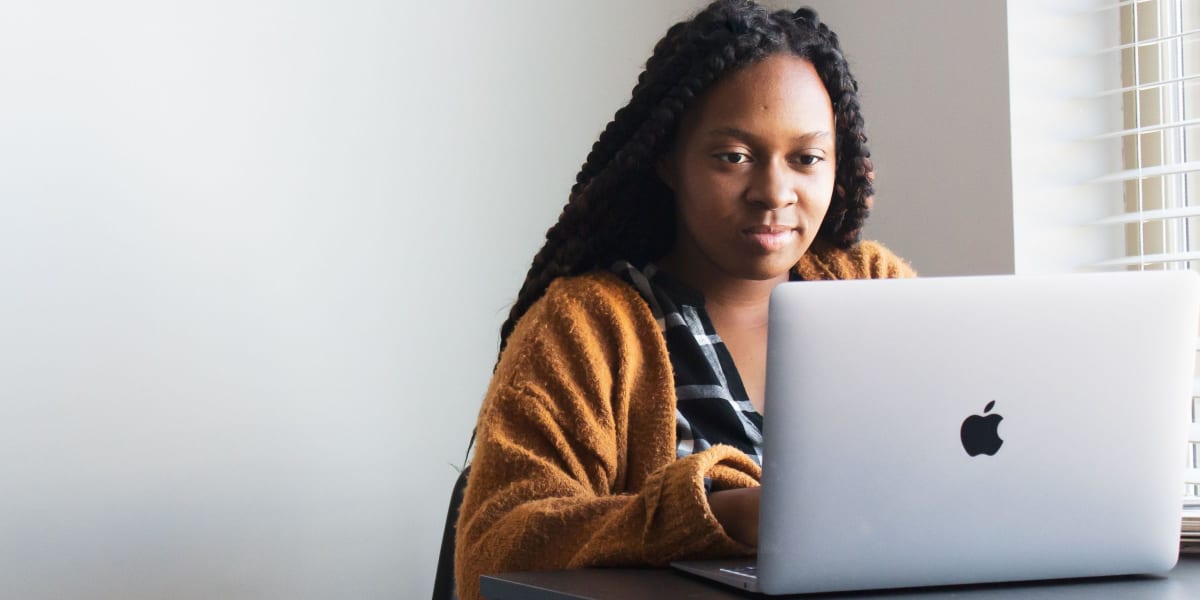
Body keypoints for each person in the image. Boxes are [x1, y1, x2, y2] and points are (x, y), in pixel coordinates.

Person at [453, 1, 915, 598]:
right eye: (734, 157)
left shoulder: (873, 289)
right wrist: (715, 516)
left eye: (806, 159)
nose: (775, 192)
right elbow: (493, 550)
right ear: (669, 161)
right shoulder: (586, 327)